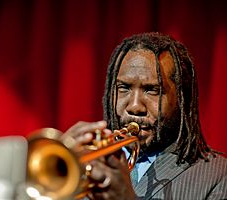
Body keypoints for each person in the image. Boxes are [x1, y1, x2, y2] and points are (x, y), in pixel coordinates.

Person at [65, 32, 227, 199]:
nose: (135, 106)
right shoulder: (85, 162)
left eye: (152, 90)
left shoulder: (219, 176)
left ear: (181, 99)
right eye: (124, 88)